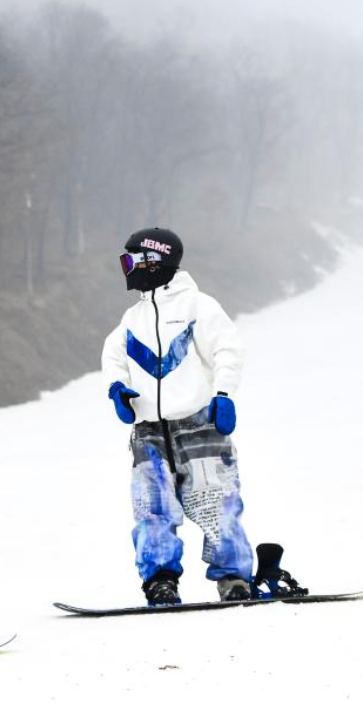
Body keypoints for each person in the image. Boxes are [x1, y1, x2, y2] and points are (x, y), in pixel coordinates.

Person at [100, 227, 254, 606]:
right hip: (149, 429)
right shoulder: (132, 317)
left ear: (157, 260)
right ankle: (160, 580)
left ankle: (233, 577)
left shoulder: (199, 306)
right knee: (152, 507)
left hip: (198, 423)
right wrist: (117, 388)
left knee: (215, 500)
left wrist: (224, 394)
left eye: (133, 259)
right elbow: (113, 356)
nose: (129, 268)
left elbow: (228, 349)